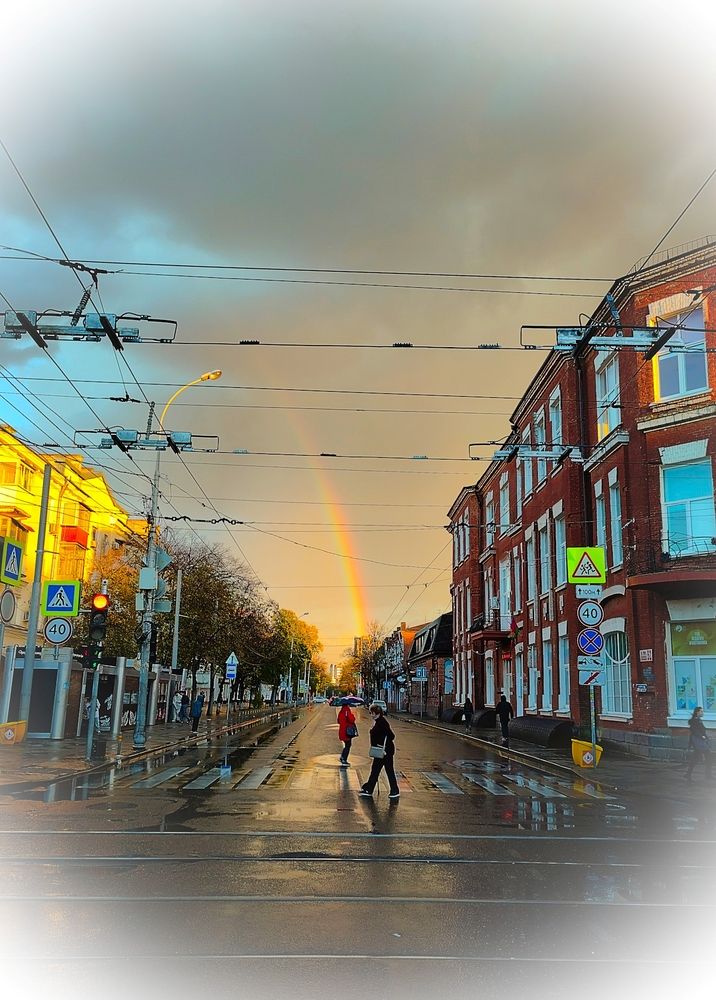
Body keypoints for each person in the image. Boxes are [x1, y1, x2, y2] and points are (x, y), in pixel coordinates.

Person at [360, 703, 400, 800]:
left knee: (388, 770)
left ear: (376, 713)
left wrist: (382, 741)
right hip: (380, 751)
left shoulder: (382, 722)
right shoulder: (378, 722)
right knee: (375, 770)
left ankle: (394, 790)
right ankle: (369, 789)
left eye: (372, 713)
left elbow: (391, 736)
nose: (371, 715)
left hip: (385, 752)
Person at [686, 706, 711, 782]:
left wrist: (706, 737)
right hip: (697, 741)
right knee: (697, 758)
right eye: (701, 711)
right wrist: (702, 736)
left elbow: (702, 730)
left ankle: (708, 774)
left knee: (706, 756)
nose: (703, 713)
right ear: (697, 712)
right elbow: (694, 730)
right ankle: (689, 774)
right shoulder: (694, 720)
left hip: (700, 741)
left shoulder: (698, 720)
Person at [337, 699, 357, 767]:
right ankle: (344, 759)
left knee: (347, 744)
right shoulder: (347, 711)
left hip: (342, 730)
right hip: (347, 731)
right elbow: (352, 719)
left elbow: (338, 721)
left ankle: (342, 757)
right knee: (348, 745)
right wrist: (353, 716)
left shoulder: (341, 711)